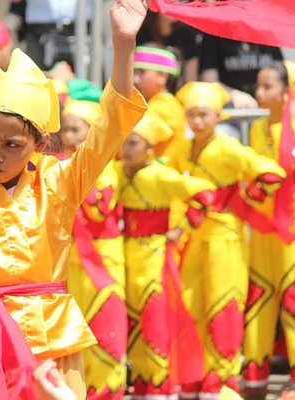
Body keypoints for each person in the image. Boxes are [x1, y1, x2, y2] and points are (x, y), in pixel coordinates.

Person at [0, 0, 149, 397]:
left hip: (53, 338)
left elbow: (110, 128)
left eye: (11, 144)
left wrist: (123, 43)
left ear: (38, 143)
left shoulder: (59, 181)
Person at [168, 81, 286, 399]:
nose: (197, 121)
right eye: (192, 115)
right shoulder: (181, 149)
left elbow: (272, 173)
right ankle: (191, 377)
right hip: (194, 238)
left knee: (224, 307)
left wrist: (245, 197)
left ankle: (220, 381)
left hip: (226, 237)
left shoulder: (228, 148)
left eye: (204, 115)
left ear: (218, 117)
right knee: (190, 305)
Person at [119, 111, 213, 400]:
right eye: (124, 142)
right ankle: (144, 382)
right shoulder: (118, 173)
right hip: (125, 256)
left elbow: (204, 193)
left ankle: (161, 385)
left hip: (155, 256)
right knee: (133, 320)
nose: (126, 149)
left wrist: (181, 228)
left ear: (150, 148)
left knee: (155, 321)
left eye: (134, 143)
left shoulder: (159, 174)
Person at [61, 99, 127, 400]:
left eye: (76, 130)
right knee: (75, 332)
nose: (69, 137)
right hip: (70, 262)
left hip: (103, 261)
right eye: (65, 130)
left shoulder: (107, 168)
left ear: (92, 133)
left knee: (105, 328)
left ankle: (107, 393)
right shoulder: (61, 167)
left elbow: (101, 208)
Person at [242, 61, 295, 395]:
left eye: (267, 87)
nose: (258, 93)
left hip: (291, 230)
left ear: (287, 90)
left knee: (292, 303)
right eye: (258, 86)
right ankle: (255, 379)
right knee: (259, 300)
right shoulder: (257, 128)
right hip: (263, 231)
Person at [199, 35, 283, 108]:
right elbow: (209, 81)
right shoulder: (214, 35)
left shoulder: (267, 32)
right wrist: (233, 94)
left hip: (267, 106)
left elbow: (282, 75)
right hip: (231, 108)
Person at [133, 43, 185, 157]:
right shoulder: (155, 103)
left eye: (142, 72)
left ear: (162, 76)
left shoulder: (165, 106)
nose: (135, 79)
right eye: (133, 72)